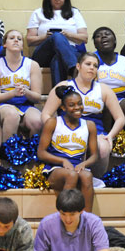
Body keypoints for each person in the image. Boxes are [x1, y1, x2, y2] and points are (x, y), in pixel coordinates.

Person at [41, 52, 125, 178]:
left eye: (95, 66)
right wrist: (56, 130)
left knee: (103, 147)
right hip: (67, 129)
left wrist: (110, 136)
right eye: (88, 64)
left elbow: (120, 118)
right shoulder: (64, 86)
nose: (92, 68)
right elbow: (46, 113)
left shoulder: (103, 89)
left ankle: (96, 180)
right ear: (78, 66)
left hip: (95, 131)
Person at [37, 85, 98, 213]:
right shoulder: (53, 122)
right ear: (63, 108)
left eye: (80, 103)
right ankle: (65, 215)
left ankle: (87, 218)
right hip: (54, 169)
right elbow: (41, 153)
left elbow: (94, 155)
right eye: (71, 105)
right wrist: (63, 161)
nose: (77, 108)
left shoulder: (89, 125)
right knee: (71, 175)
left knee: (87, 176)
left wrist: (84, 163)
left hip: (77, 167)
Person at [27, 0, 87, 87]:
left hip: (70, 50)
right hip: (44, 53)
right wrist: (45, 37)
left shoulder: (74, 13)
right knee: (56, 36)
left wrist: (68, 35)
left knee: (57, 59)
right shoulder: (38, 13)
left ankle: (59, 93)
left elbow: (84, 38)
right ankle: (74, 69)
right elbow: (29, 40)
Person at [0, 30, 43, 141]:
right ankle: (6, 150)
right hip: (3, 105)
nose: (16, 40)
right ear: (5, 44)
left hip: (26, 105)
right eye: (12, 38)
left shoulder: (32, 65)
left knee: (37, 121)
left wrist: (26, 92)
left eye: (19, 39)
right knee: (12, 115)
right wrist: (13, 93)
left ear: (22, 46)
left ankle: (32, 151)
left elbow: (37, 97)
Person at [92, 26, 125, 129]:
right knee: (105, 106)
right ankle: (106, 136)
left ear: (115, 41)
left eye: (107, 34)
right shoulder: (89, 61)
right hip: (97, 99)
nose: (103, 36)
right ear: (95, 44)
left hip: (119, 100)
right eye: (98, 36)